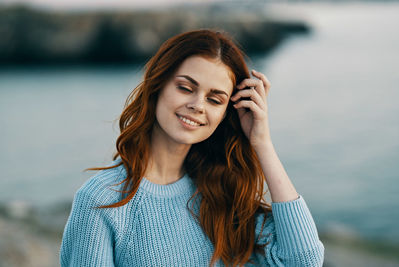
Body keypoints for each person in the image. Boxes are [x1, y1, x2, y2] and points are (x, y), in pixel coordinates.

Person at [59, 29, 324, 267]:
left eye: (214, 99)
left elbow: (305, 261)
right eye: (186, 88)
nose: (198, 105)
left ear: (225, 115)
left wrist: (261, 142)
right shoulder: (102, 200)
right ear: (158, 85)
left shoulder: (222, 193)